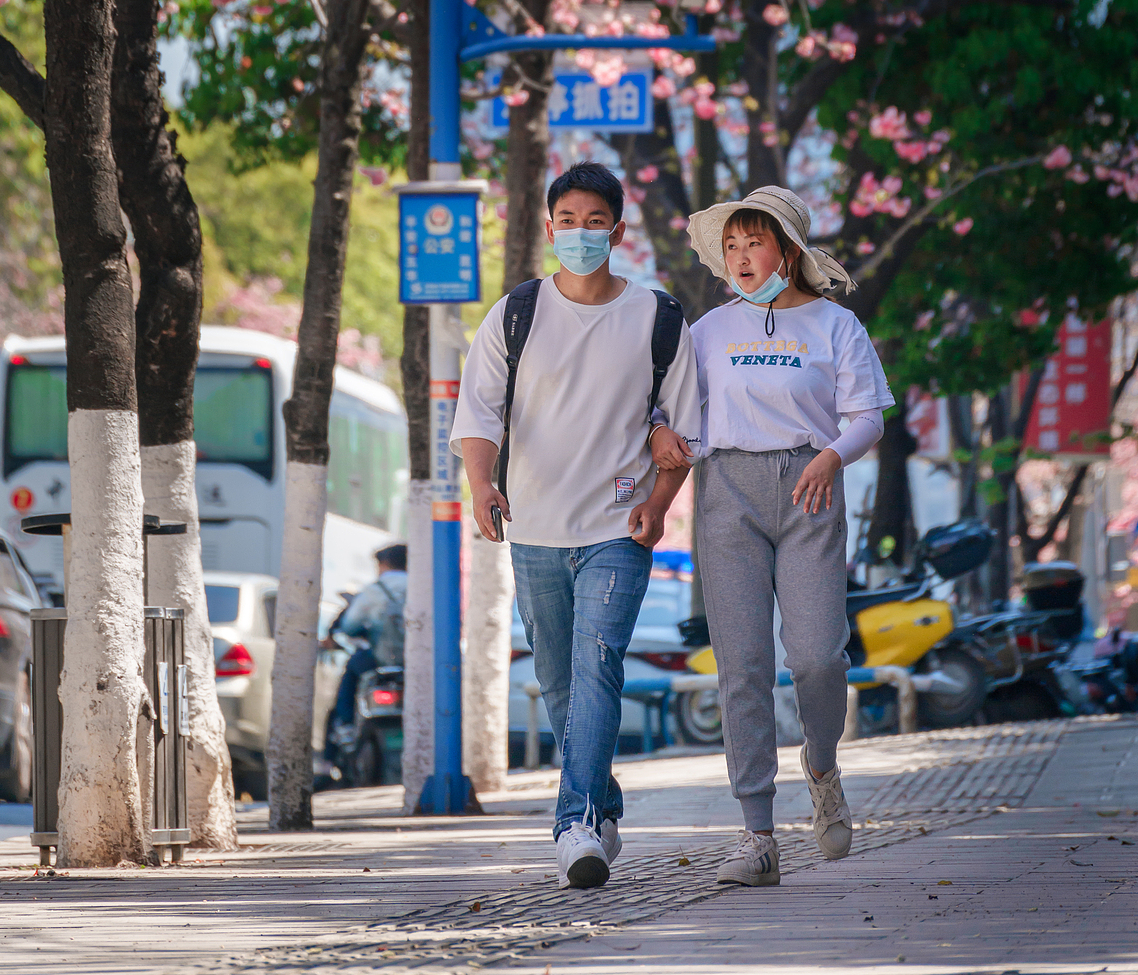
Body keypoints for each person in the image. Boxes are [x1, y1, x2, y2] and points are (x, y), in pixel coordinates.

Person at [452, 161, 700, 890]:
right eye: (569, 221)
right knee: (560, 682)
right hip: (535, 527)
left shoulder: (658, 318)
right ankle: (603, 801)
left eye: (596, 223)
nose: (581, 234)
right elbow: (478, 411)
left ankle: (576, 824)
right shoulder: (517, 313)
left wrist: (660, 502)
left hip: (619, 526)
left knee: (597, 667)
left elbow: (685, 429)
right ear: (549, 227)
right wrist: (481, 485)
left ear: (617, 233)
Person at [649, 185, 893, 888]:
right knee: (743, 666)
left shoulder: (835, 325)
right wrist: (660, 438)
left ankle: (822, 762)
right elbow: (673, 416)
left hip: (810, 488)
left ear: (787, 252)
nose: (739, 256)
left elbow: (868, 417)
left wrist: (832, 456)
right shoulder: (708, 332)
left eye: (753, 242)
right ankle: (758, 836)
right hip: (728, 493)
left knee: (817, 657)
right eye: (730, 246)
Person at [326, 543, 407, 747]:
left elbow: (349, 626)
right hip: (419, 665)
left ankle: (345, 727)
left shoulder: (376, 589)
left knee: (353, 667)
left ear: (384, 564)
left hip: (382, 661)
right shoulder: (426, 587)